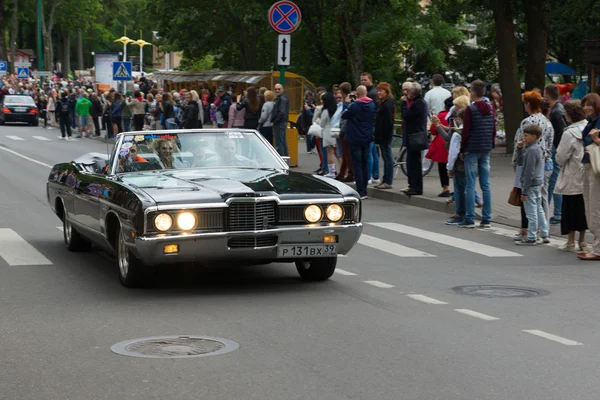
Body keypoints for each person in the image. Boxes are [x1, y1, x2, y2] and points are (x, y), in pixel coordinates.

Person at [459, 79, 495, 228]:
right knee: (485, 184)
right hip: (485, 148)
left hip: (472, 149)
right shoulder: (490, 108)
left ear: (472, 93)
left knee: (470, 183)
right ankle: (486, 218)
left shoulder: (471, 110)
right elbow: (493, 129)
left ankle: (470, 218)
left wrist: (462, 149)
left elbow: (466, 131)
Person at [554, 100, 589, 252]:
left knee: (569, 208)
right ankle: (582, 241)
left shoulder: (569, 133)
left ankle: (570, 241)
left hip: (571, 175)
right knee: (583, 209)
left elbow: (560, 157)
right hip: (587, 174)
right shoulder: (589, 127)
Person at [516, 125, 549, 245]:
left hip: (530, 184)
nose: (523, 138)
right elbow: (521, 162)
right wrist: (519, 148)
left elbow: (528, 171)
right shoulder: (537, 148)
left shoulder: (531, 150)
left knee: (531, 212)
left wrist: (524, 190)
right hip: (538, 183)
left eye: (526, 135)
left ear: (534, 137)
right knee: (539, 209)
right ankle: (545, 233)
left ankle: (531, 236)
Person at [341, 85, 376, 199]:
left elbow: (344, 115)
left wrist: (347, 103)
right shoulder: (371, 104)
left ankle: (361, 191)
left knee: (357, 164)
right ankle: (365, 189)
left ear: (357, 94)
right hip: (367, 137)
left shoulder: (355, 105)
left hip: (355, 137)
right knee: (365, 163)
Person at [577, 93, 600, 260]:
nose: (586, 108)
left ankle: (598, 249)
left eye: (589, 105)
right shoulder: (592, 121)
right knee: (590, 206)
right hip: (589, 165)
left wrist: (597, 140)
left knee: (595, 207)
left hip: (596, 167)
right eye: (584, 105)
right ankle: (596, 246)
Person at [544, 84, 568, 225]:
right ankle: (557, 212)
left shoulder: (556, 112)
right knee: (554, 181)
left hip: (555, 149)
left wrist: (558, 150)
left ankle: (557, 213)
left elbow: (559, 133)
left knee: (553, 182)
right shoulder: (559, 109)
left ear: (547, 94)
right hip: (556, 148)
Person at [401, 82, 428, 196]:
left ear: (413, 93)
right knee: (411, 162)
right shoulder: (418, 102)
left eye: (409, 92)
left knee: (415, 163)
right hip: (413, 135)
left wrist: (403, 104)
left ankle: (416, 187)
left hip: (415, 136)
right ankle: (412, 185)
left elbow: (407, 115)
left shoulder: (418, 104)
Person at [373, 82, 396, 189]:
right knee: (386, 157)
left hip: (384, 135)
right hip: (382, 134)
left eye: (381, 91)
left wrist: (383, 135)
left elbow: (387, 122)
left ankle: (388, 180)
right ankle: (385, 179)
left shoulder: (387, 104)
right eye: (378, 91)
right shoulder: (384, 103)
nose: (378, 93)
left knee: (388, 157)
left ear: (386, 92)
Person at [271, 83, 290, 156]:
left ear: (282, 89)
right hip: (282, 121)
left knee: (279, 142)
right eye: (275, 89)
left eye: (278, 89)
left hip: (280, 122)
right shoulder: (282, 98)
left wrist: (275, 120)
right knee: (282, 141)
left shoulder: (281, 98)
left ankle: (282, 158)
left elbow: (281, 111)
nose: (277, 90)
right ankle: (285, 158)